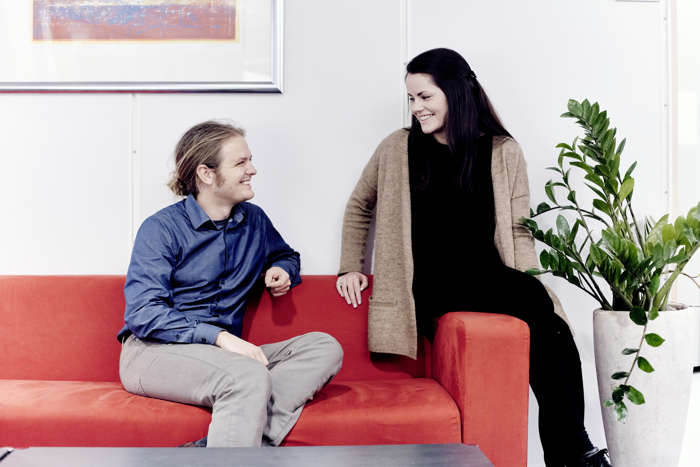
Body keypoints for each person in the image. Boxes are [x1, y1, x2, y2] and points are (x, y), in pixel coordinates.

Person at [335, 48, 612, 467]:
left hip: (489, 278)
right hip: (431, 283)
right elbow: (360, 204)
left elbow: (519, 230)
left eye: (425, 97)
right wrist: (350, 265)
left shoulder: (503, 151)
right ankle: (575, 450)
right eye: (411, 98)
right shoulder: (398, 148)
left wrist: (529, 281)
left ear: (455, 92)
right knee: (540, 311)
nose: (417, 108)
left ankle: (572, 451)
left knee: (554, 330)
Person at [118, 120, 343, 448]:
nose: (252, 169)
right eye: (241, 162)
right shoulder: (161, 229)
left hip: (224, 357)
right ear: (207, 174)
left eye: (249, 160)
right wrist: (220, 337)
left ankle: (214, 449)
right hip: (154, 353)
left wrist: (281, 269)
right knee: (247, 375)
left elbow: (287, 256)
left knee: (324, 347)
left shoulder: (254, 221)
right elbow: (144, 313)